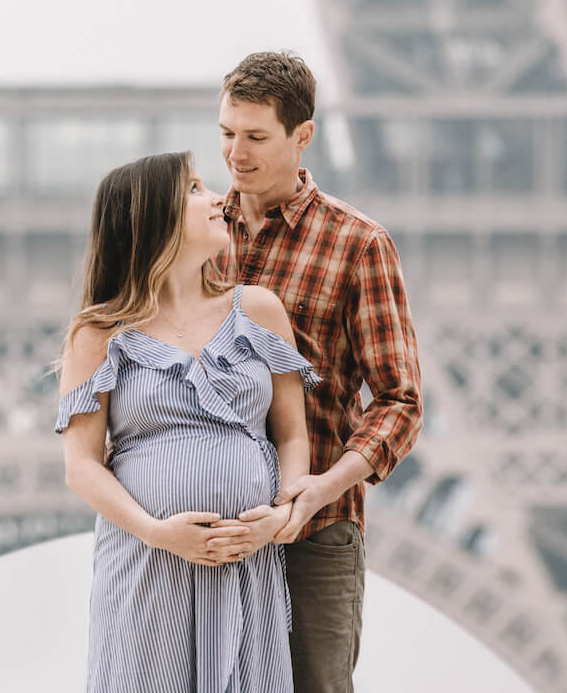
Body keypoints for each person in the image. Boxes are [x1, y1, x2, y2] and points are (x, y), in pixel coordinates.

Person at [56, 151, 320, 692]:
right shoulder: (98, 335)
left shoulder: (260, 311)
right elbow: (81, 467)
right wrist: (158, 533)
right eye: (195, 188)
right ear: (153, 216)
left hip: (245, 565)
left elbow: (292, 435)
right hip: (148, 565)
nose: (219, 197)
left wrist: (278, 518)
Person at [212, 51, 424, 693]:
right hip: (206, 527)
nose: (235, 154)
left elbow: (400, 400)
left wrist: (324, 487)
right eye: (226, 133)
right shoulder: (190, 233)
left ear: (303, 135)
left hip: (316, 534)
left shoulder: (358, 243)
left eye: (255, 137)